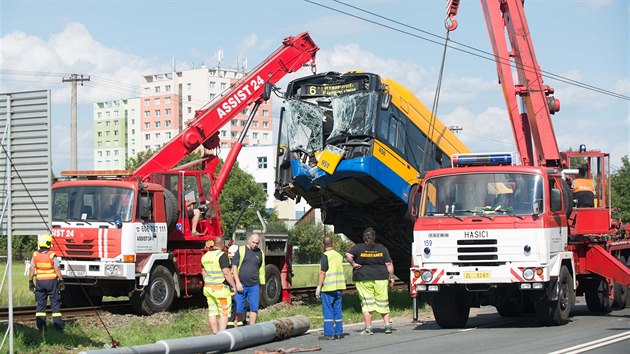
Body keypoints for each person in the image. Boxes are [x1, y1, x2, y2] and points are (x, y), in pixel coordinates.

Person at [345, 227, 395, 335]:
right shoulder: (382, 248)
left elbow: (348, 255)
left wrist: (353, 264)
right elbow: (389, 264)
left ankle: (368, 328)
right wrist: (391, 278)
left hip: (363, 278)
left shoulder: (358, 247)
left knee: (367, 303)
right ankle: (387, 326)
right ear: (374, 237)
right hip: (381, 277)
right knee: (383, 302)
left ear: (364, 238)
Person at [29, 234, 64, 332]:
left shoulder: (35, 255)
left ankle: (41, 328)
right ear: (49, 244)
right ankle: (58, 327)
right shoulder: (52, 255)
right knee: (55, 304)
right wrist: (61, 280)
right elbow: (57, 269)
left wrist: (30, 281)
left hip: (40, 282)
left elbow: (32, 269)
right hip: (52, 282)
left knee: (40, 305)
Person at [201, 237, 237, 334]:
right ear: (222, 244)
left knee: (212, 312)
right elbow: (226, 272)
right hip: (220, 289)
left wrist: (207, 283)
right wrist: (233, 285)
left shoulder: (205, 256)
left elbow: (203, 272)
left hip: (208, 288)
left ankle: (215, 333)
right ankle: (222, 335)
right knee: (224, 312)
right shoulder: (222, 255)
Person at [231, 233, 266, 325]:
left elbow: (261, 269)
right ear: (249, 241)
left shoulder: (260, 253)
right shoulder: (241, 250)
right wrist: (237, 282)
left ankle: (252, 327)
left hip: (254, 285)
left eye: (257, 243)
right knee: (239, 307)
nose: (255, 245)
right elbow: (234, 266)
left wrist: (262, 284)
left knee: (254, 308)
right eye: (253, 242)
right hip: (241, 284)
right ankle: (242, 323)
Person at [316, 236, 346, 340]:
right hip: (339, 287)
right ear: (332, 243)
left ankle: (329, 334)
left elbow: (322, 272)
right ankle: (339, 332)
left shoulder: (325, 255)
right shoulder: (339, 255)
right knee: (337, 310)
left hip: (328, 288)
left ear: (323, 245)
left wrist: (319, 287)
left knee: (328, 310)